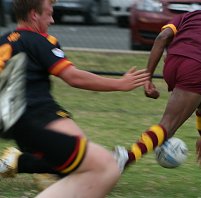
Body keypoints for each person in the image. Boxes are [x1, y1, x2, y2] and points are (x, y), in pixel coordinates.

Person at [0, 0, 149, 197]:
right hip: (39, 115)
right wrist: (119, 84)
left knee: (83, 159)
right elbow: (73, 77)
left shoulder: (3, 40)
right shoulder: (39, 40)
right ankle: (24, 163)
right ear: (34, 15)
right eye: (48, 13)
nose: (52, 20)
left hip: (17, 120)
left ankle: (23, 163)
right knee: (98, 166)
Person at [114, 0, 201, 181]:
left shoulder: (193, 15)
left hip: (172, 64)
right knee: (168, 125)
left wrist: (148, 76)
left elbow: (162, 38)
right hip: (196, 69)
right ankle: (127, 157)